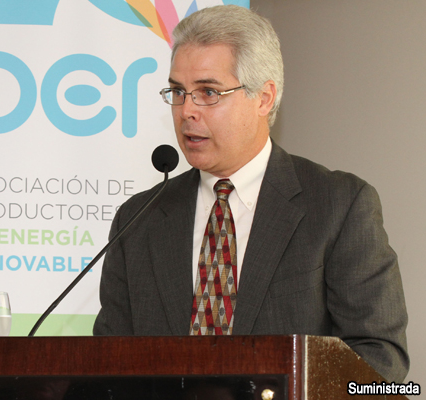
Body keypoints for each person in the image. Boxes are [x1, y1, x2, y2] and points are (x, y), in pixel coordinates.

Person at [93, 5, 409, 383]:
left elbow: (379, 358)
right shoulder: (138, 219)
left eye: (208, 92)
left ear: (263, 97)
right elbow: (106, 364)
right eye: (178, 91)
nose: (187, 110)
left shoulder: (339, 205)